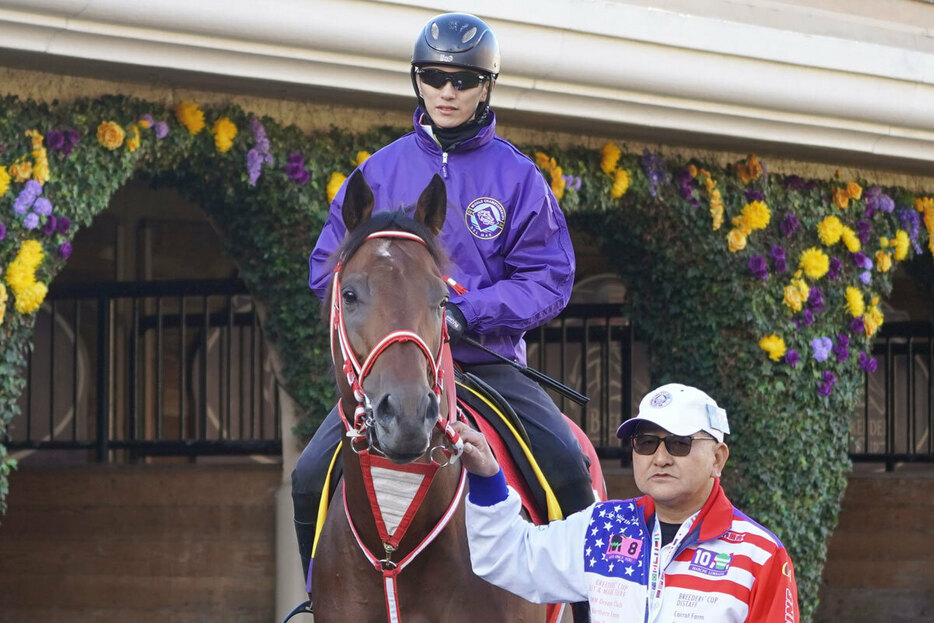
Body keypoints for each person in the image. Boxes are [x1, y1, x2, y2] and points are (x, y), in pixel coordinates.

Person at [291, 11, 594, 598]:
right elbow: (325, 268)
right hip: (390, 368)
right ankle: (314, 602)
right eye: (434, 78)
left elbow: (550, 277)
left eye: (463, 80)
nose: (447, 92)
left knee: (567, 466)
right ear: (417, 82)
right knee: (307, 477)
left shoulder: (519, 177)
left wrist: (466, 312)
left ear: (487, 87)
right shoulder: (376, 172)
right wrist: (388, 319)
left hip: (486, 363)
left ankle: (587, 611)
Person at [457, 383, 800, 622]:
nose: (661, 458)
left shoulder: (761, 555)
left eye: (679, 443)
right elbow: (508, 556)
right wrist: (487, 477)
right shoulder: (604, 526)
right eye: (647, 442)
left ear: (718, 459)